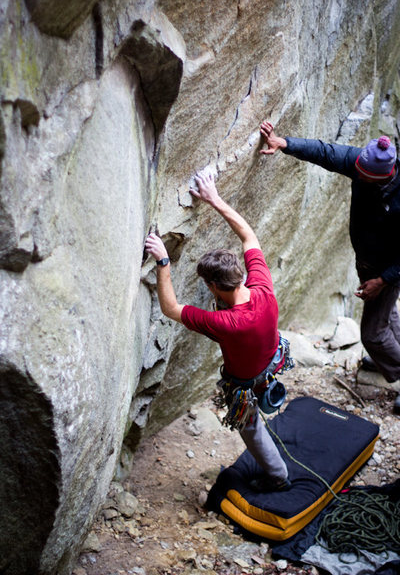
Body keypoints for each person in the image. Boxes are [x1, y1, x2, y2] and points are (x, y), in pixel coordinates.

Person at [145, 171, 293, 492]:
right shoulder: (261, 285)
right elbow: (249, 238)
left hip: (245, 380)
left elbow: (171, 309)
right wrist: (214, 198)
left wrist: (163, 262)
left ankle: (278, 476)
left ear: (213, 286)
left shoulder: (227, 323)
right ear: (239, 275)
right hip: (272, 357)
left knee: (249, 426)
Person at [260, 120, 400, 414]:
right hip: (370, 260)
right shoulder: (364, 164)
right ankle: (388, 356)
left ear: (382, 175)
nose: (355, 175)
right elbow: (326, 153)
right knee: (386, 314)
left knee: (373, 334)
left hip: (387, 268)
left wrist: (383, 280)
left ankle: (393, 364)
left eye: (362, 175)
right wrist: (284, 143)